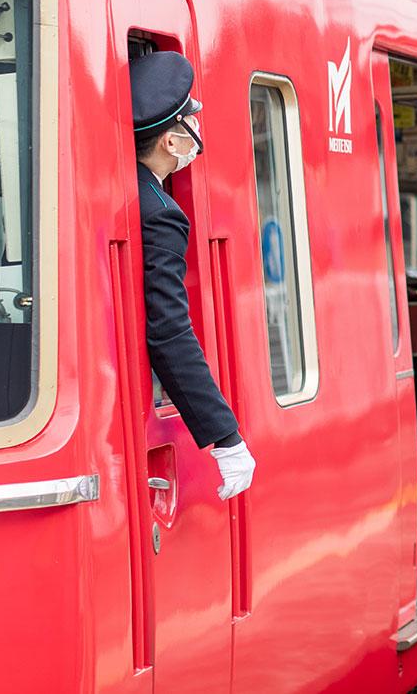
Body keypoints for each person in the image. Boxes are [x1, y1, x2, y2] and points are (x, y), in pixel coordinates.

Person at [130, 51, 255, 500]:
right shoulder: (161, 215)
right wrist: (226, 438)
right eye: (191, 123)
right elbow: (168, 331)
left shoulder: (127, 192)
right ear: (170, 141)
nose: (196, 133)